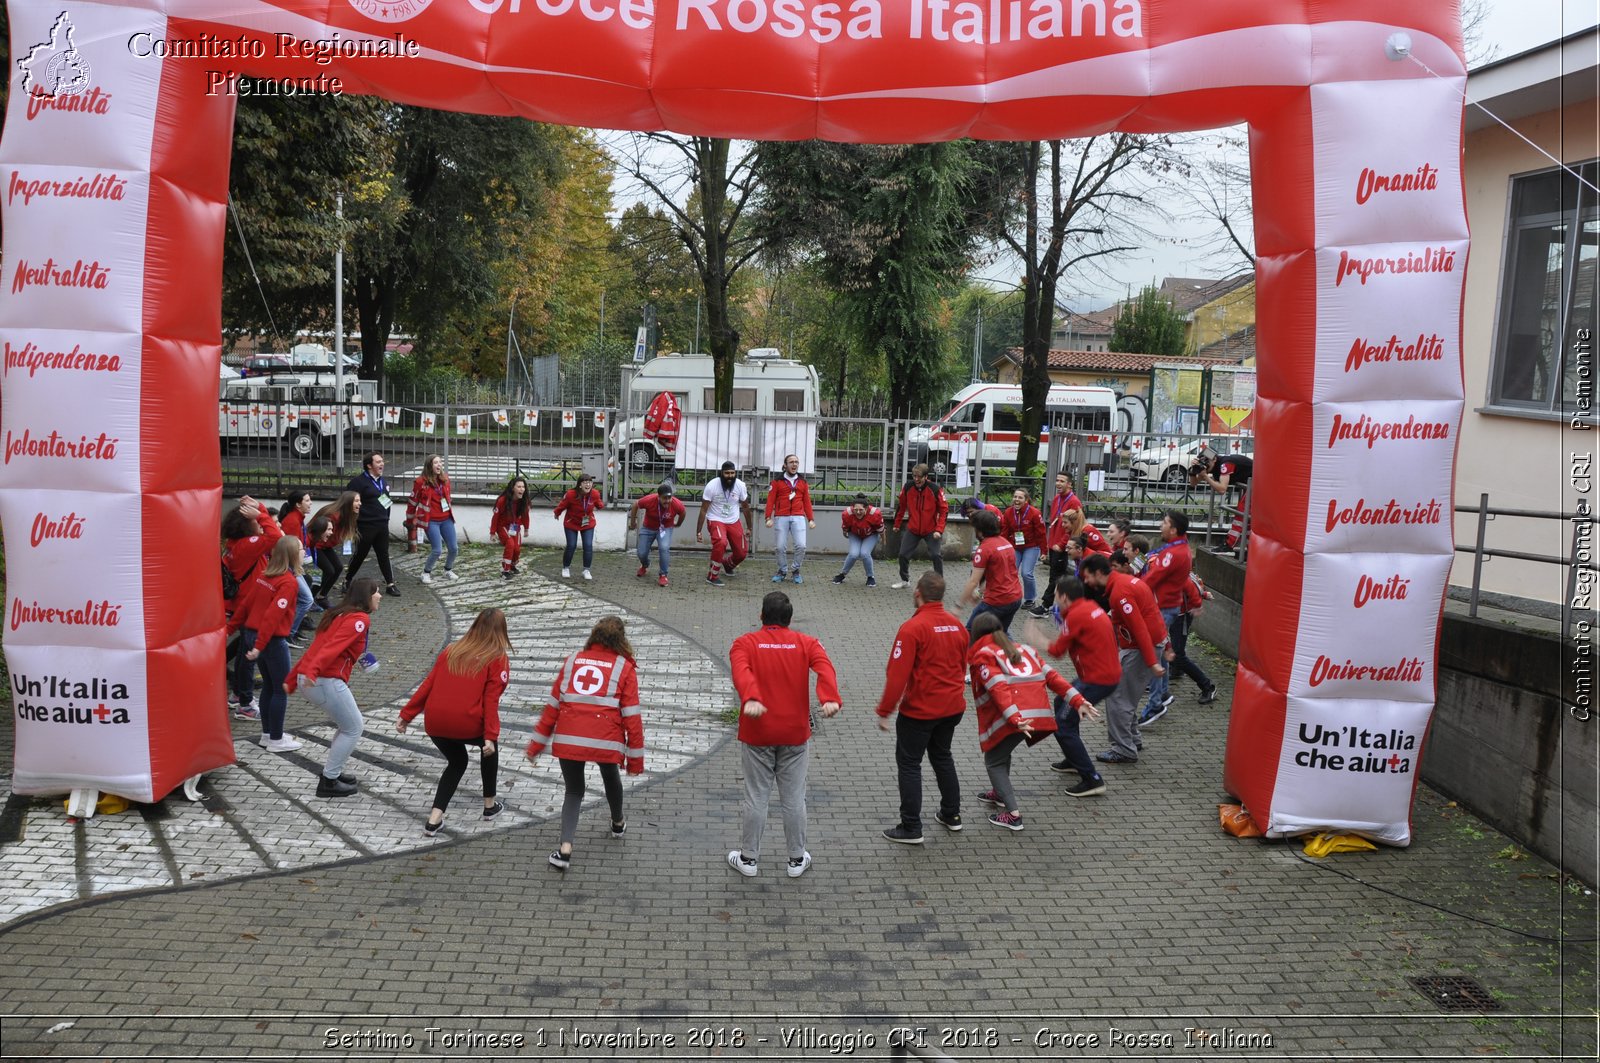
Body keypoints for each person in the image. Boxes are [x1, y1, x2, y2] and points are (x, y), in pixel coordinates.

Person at [726, 591, 842, 879]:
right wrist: (829, 697)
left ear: (761, 617)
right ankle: (796, 859)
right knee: (793, 798)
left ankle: (749, 859)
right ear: (790, 620)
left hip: (757, 732)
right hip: (794, 734)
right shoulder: (806, 643)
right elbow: (825, 667)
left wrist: (750, 697)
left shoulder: (744, 643)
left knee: (756, 796)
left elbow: (741, 671)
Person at [527, 616, 645, 870]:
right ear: (622, 640)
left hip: (569, 737)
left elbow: (552, 708)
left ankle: (565, 850)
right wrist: (635, 760)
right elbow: (632, 717)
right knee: (610, 775)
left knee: (573, 791)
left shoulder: (572, 661)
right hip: (605, 740)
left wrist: (536, 745)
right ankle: (617, 823)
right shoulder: (624, 668)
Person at [874, 571, 970, 844]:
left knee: (909, 764)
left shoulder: (912, 628)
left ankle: (911, 826)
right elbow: (962, 665)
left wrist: (884, 711)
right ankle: (951, 815)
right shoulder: (957, 626)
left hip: (920, 710)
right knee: (942, 757)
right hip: (952, 708)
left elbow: (896, 676)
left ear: (918, 593)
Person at [397, 608, 511, 836]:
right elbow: (491, 701)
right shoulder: (497, 658)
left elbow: (428, 684)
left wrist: (406, 716)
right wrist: (489, 736)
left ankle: (434, 819)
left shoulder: (451, 650)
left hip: (435, 723)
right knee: (489, 750)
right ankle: (489, 806)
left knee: (457, 762)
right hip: (466, 722)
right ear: (501, 631)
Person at [968, 612, 1083, 830]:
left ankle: (1013, 814)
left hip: (1016, 717)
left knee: (993, 762)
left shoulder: (984, 655)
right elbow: (1052, 676)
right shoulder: (1024, 649)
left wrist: (1014, 718)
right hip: (1034, 715)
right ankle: (999, 792)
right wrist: (1076, 699)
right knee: (1001, 752)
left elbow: (997, 687)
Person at [286, 578, 384, 798]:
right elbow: (331, 647)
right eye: (376, 592)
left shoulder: (339, 614)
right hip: (324, 680)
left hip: (315, 678)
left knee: (346, 725)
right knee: (353, 728)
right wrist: (310, 673)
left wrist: (295, 677)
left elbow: (318, 646)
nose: (380, 596)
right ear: (367, 597)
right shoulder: (359, 619)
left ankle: (334, 773)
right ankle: (329, 781)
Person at [1080, 553, 1167, 764]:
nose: (1086, 582)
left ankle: (1124, 748)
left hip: (1139, 649)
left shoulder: (1120, 592)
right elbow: (1152, 614)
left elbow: (1139, 629)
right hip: (1144, 646)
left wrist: (1152, 662)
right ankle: (1132, 739)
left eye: (1087, 577)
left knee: (1119, 697)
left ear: (1099, 573)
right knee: (1127, 696)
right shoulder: (1124, 583)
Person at [1137, 510, 1216, 725]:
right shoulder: (1177, 549)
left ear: (1173, 529)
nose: (1160, 526)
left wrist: (1130, 591)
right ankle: (1162, 694)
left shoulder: (1174, 554)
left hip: (1164, 610)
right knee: (1162, 654)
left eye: (1164, 523)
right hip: (1166, 608)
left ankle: (1154, 705)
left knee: (1156, 656)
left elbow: (1152, 579)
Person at [1041, 576, 1118, 796]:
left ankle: (1092, 779)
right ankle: (1073, 759)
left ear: (1064, 597)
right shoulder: (1090, 606)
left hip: (1096, 679)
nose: (1054, 597)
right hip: (1103, 675)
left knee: (1062, 725)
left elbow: (1057, 652)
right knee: (1061, 701)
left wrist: (1038, 639)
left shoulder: (1076, 616)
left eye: (1056, 594)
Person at [230, 536, 305, 752]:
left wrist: (230, 629)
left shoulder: (266, 576)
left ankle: (268, 735)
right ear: (291, 554)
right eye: (300, 549)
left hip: (256, 637)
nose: (303, 552)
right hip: (270, 641)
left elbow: (245, 605)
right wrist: (260, 646)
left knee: (270, 687)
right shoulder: (288, 582)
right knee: (281, 688)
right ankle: (276, 740)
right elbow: (273, 616)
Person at [222, 495, 283, 719]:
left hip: (246, 605)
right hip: (252, 608)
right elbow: (275, 536)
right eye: (256, 522)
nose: (260, 524)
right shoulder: (246, 546)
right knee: (249, 655)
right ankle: (245, 704)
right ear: (246, 525)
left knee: (242, 652)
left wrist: (259, 508)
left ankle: (238, 694)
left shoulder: (234, 544)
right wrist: (262, 513)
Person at [343, 452, 400, 597]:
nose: (382, 464)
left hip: (381, 524)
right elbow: (348, 502)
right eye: (378, 462)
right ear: (369, 465)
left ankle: (390, 583)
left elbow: (387, 502)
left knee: (384, 554)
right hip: (365, 525)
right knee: (360, 554)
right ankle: (347, 580)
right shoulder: (358, 482)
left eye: (382, 461)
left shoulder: (383, 482)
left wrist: (386, 518)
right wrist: (352, 523)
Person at [958, 509, 1023, 634]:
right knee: (1000, 635)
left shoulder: (984, 549)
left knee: (971, 632)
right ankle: (1016, 653)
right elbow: (997, 574)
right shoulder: (1006, 543)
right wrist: (980, 592)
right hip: (1015, 598)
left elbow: (973, 581)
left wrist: (959, 605)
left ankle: (969, 653)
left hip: (997, 601)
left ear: (980, 530)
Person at [696, 461, 753, 588]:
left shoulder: (740, 485)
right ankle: (712, 575)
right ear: (721, 473)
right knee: (721, 542)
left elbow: (745, 507)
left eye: (732, 473)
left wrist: (749, 527)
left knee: (742, 553)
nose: (730, 476)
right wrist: (698, 531)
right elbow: (704, 509)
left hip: (733, 520)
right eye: (727, 473)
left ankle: (727, 564)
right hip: (716, 519)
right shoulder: (712, 485)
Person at [891, 463, 947, 589]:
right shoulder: (908, 487)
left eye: (919, 477)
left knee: (935, 555)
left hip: (931, 530)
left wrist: (939, 530)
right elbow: (901, 506)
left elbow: (944, 511)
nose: (916, 479)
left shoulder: (935, 489)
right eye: (914, 476)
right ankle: (905, 580)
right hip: (913, 528)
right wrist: (897, 523)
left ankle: (939, 583)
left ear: (926, 476)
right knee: (903, 554)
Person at [764, 454, 816, 584]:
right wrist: (767, 517)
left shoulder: (803, 482)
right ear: (785, 465)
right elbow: (770, 501)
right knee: (780, 547)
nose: (794, 464)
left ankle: (795, 570)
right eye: (791, 462)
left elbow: (807, 502)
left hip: (798, 516)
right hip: (781, 517)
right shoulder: (776, 482)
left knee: (801, 546)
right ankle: (782, 570)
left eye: (796, 462)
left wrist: (810, 518)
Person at [1191, 447, 1254, 553]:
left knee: (1242, 513)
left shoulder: (1226, 464)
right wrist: (1193, 472)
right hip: (1253, 483)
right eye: (1203, 462)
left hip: (1259, 481)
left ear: (1214, 459)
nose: (1205, 465)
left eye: (1207, 462)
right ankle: (1250, 549)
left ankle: (1229, 544)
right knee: (1247, 518)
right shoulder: (1214, 466)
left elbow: (1222, 489)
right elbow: (1193, 483)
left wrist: (1206, 477)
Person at [408, 455, 458, 585]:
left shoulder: (445, 479)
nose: (439, 465)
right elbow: (412, 503)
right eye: (436, 462)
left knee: (454, 548)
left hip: (446, 519)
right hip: (431, 521)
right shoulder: (420, 482)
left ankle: (447, 570)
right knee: (437, 550)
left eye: (440, 462)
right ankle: (426, 572)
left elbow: (447, 498)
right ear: (429, 465)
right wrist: (410, 520)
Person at [276, 490, 319, 641]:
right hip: (290, 567)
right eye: (307, 500)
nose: (311, 503)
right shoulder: (292, 521)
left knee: (302, 595)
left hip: (294, 565)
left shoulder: (298, 519)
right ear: (298, 504)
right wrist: (296, 569)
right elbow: (290, 548)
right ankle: (288, 633)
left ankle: (294, 628)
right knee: (306, 599)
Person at [629, 481, 686, 587]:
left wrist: (678, 523)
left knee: (664, 548)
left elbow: (683, 512)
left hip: (665, 528)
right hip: (648, 528)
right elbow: (635, 505)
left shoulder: (676, 504)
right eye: (664, 498)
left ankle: (663, 574)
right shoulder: (650, 500)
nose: (667, 501)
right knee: (641, 553)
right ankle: (645, 565)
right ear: (658, 497)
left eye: (669, 498)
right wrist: (633, 522)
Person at [1000, 487, 1047, 614]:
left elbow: (1041, 533)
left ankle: (1030, 599)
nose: (1016, 499)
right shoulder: (1008, 512)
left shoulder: (1034, 513)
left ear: (1026, 500)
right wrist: (1003, 549)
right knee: (1010, 571)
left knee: (1026, 573)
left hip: (1031, 546)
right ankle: (1010, 596)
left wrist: (1044, 551)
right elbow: (1004, 532)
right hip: (1015, 546)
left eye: (1020, 497)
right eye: (1015, 497)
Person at [309, 492, 359, 608]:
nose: (359, 503)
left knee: (338, 568)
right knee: (329, 570)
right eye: (356, 501)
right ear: (348, 503)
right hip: (316, 544)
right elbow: (320, 532)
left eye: (359, 500)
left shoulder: (348, 515)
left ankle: (322, 597)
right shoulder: (333, 515)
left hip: (326, 545)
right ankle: (309, 598)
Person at [554, 472, 603, 580]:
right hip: (572, 523)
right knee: (571, 545)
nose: (588, 485)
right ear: (580, 485)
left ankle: (586, 570)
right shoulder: (571, 494)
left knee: (588, 545)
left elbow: (599, 504)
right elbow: (562, 505)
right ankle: (566, 568)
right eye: (585, 482)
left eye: (590, 482)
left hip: (587, 523)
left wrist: (600, 505)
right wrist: (557, 513)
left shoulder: (594, 494)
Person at [833, 493, 884, 587]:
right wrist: (845, 534)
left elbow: (881, 530)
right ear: (852, 508)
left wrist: (884, 541)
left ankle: (870, 577)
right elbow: (845, 529)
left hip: (871, 534)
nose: (858, 512)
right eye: (856, 510)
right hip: (855, 534)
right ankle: (842, 574)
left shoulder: (875, 513)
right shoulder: (847, 513)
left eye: (861, 510)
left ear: (867, 508)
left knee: (864, 553)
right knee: (853, 554)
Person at [1044, 473, 1081, 597]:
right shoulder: (1056, 498)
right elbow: (1054, 521)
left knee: (1056, 575)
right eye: (1057, 480)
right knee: (1055, 574)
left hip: (1062, 545)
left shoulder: (1074, 502)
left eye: (1062, 481)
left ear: (1069, 484)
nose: (1058, 483)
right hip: (1053, 543)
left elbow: (1073, 527)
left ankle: (1047, 603)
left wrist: (1061, 544)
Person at [491, 476, 531, 580]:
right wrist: (492, 532)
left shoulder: (524, 501)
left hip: (515, 527)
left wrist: (526, 528)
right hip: (503, 526)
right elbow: (495, 517)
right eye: (519, 487)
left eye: (523, 487)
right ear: (513, 488)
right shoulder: (502, 500)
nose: (521, 489)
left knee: (517, 549)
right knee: (510, 544)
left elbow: (526, 516)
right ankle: (505, 571)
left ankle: (512, 566)